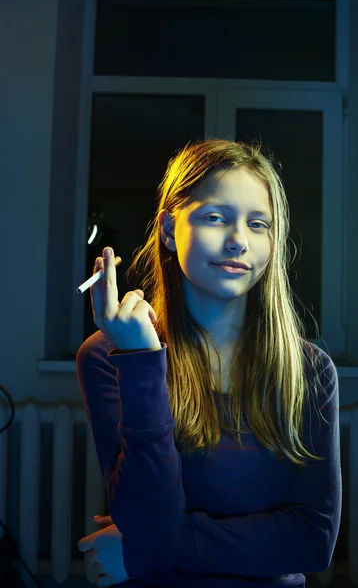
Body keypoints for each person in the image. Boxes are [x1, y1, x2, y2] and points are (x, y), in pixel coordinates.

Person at [76, 138, 342, 588]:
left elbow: (313, 541)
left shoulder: (310, 369)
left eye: (258, 224)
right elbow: (148, 516)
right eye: (215, 217)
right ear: (166, 228)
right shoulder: (108, 355)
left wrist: (148, 549)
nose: (239, 241)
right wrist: (141, 361)